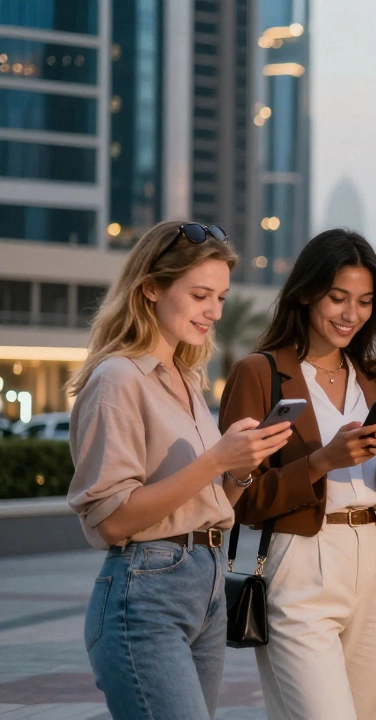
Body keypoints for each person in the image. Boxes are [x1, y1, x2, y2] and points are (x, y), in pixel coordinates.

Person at [67, 220, 291, 718]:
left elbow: (206, 504)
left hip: (205, 585)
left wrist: (240, 467)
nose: (212, 311)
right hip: (146, 594)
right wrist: (216, 459)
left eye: (221, 299)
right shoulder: (118, 379)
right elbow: (114, 520)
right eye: (199, 295)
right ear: (151, 289)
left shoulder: (188, 381)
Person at [219, 229, 376, 720]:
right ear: (305, 293)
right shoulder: (258, 373)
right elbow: (238, 499)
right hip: (300, 560)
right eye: (337, 297)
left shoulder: (375, 377)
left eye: (365, 302)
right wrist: (323, 460)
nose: (351, 314)